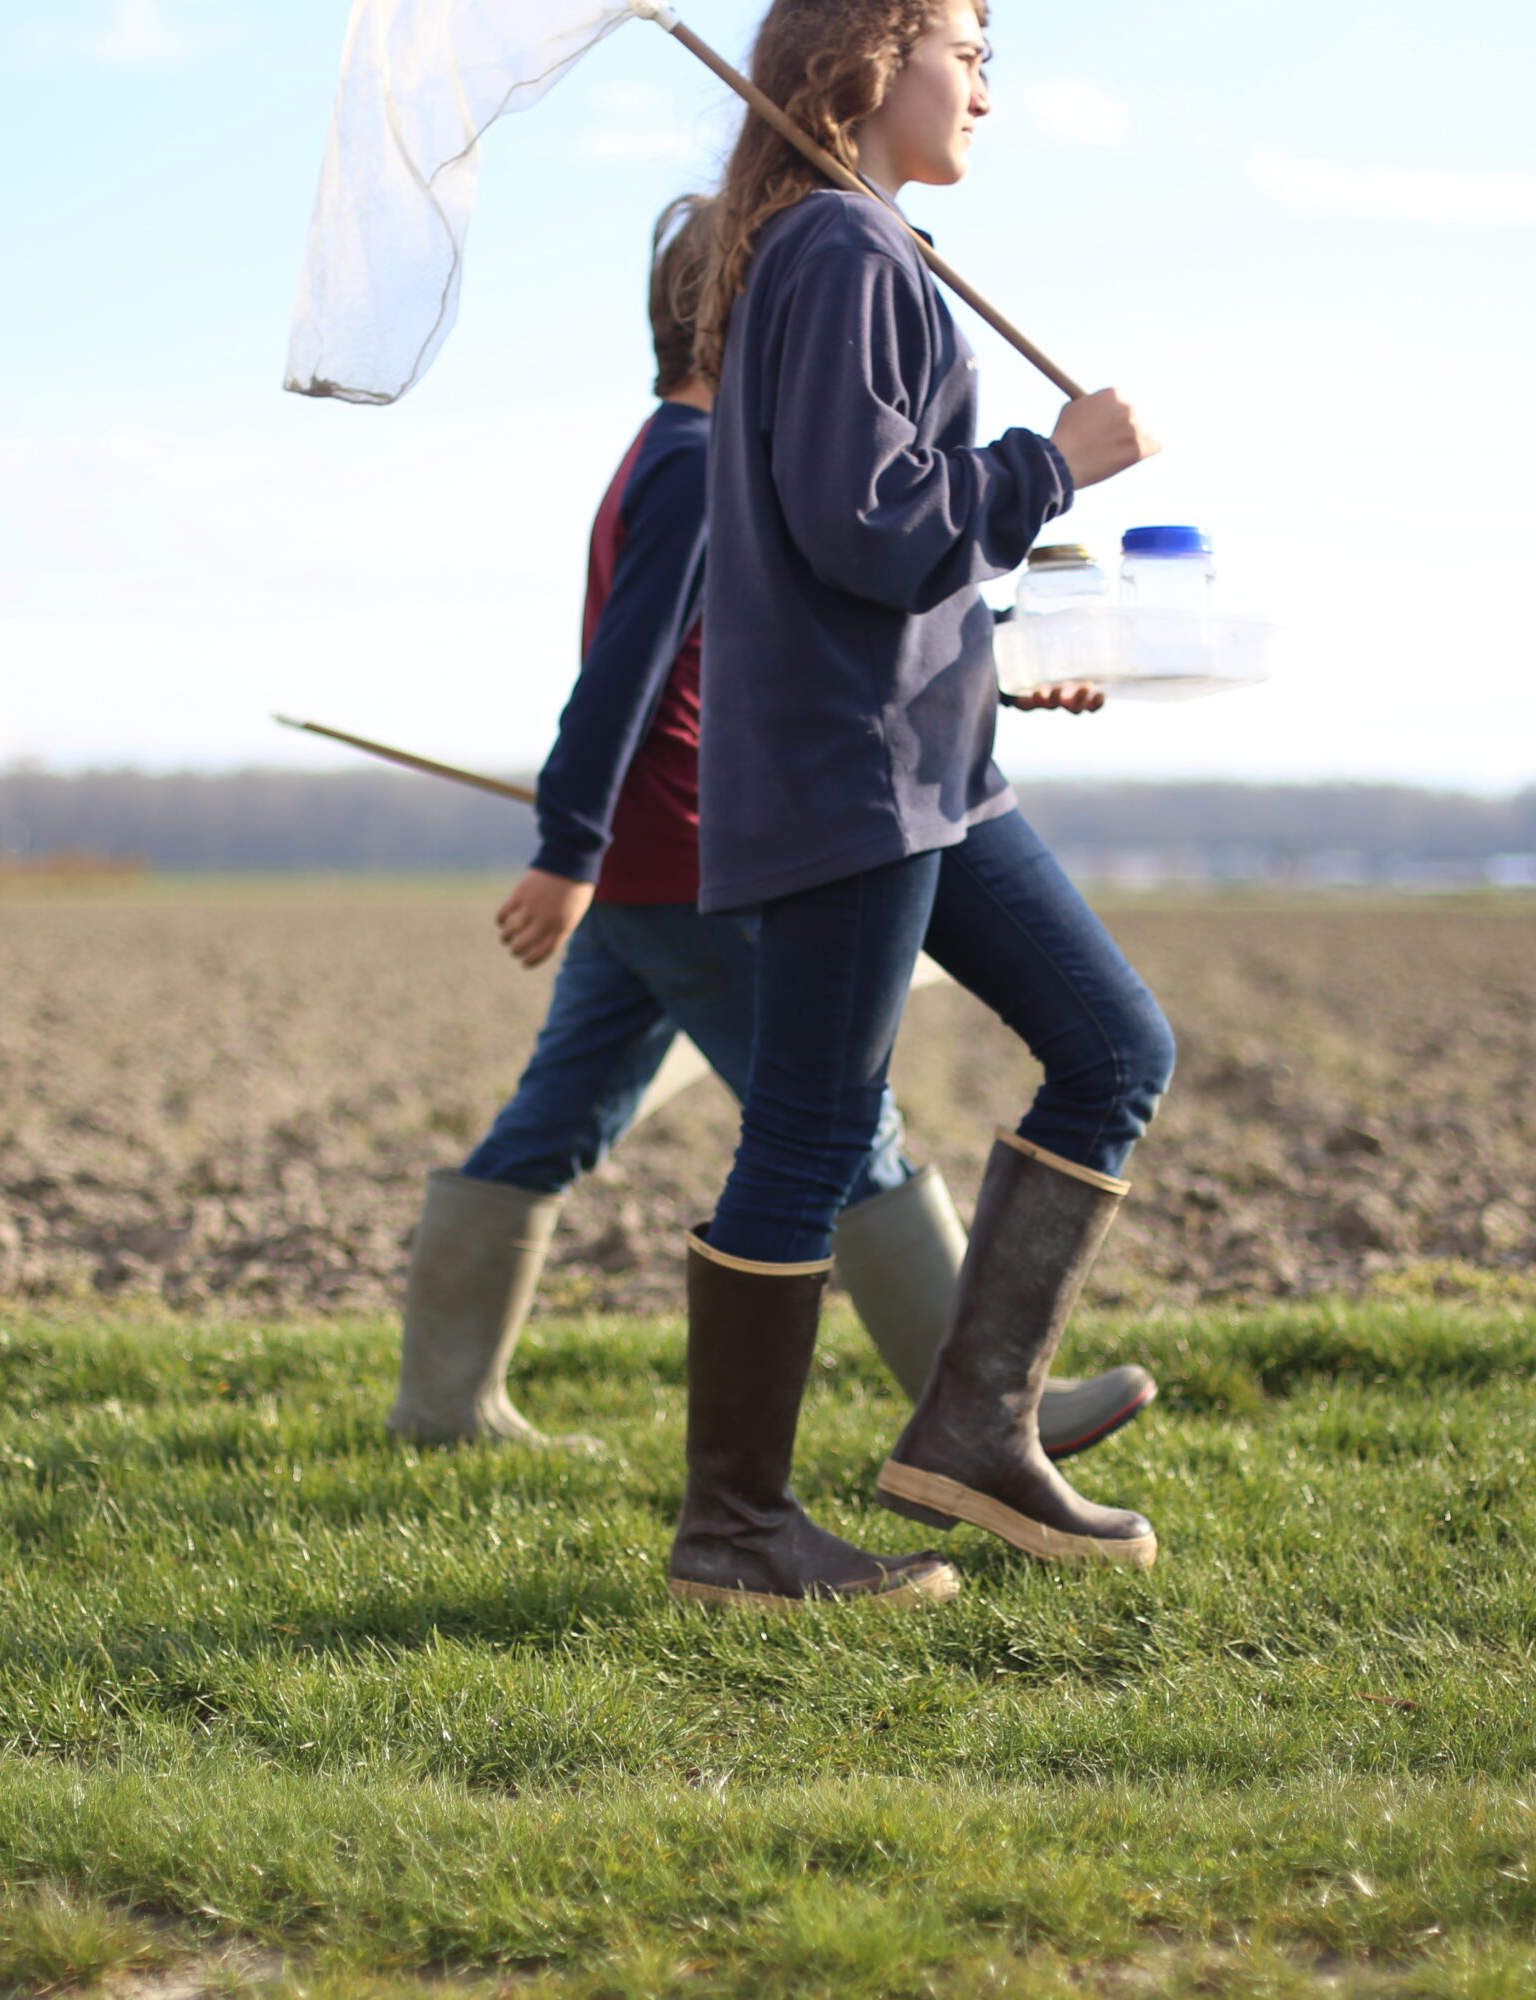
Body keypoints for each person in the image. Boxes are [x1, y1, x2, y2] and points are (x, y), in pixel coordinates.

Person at [388, 193, 1156, 1461]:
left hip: (659, 865)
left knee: (556, 1118)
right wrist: (569, 846)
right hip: (691, 865)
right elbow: (626, 673)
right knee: (844, 1124)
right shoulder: (696, 468)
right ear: (740, 316)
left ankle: (443, 1404)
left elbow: (799, 645)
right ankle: (979, 1409)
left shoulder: (673, 455)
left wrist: (1001, 672)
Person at [662, 0, 1176, 1611]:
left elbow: (869, 572)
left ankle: (974, 1425)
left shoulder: (851, 246)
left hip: (927, 762)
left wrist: (996, 665)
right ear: (866, 60)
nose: (986, 87)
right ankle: (737, 1533)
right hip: (855, 783)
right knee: (812, 1132)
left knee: (1114, 1047)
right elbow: (870, 527)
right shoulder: (841, 253)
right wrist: (1056, 461)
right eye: (967, 46)